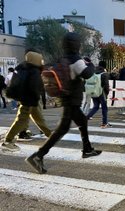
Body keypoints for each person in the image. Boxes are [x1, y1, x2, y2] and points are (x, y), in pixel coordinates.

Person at [25, 32, 102, 174]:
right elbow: (88, 74)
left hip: (66, 98)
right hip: (71, 100)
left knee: (82, 122)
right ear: (76, 44)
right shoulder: (76, 60)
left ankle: (87, 149)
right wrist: (90, 64)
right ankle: (38, 155)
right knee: (62, 129)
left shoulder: (63, 58)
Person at [0, 50, 52, 152]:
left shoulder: (22, 68)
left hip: (26, 98)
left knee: (38, 117)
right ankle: (8, 141)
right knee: (21, 119)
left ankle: (49, 134)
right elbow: (35, 86)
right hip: (29, 99)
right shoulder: (33, 71)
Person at [86, 61, 111, 128]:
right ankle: (104, 123)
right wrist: (107, 93)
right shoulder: (104, 74)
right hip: (102, 93)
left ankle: (87, 117)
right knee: (104, 108)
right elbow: (106, 85)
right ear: (105, 66)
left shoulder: (93, 72)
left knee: (96, 106)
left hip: (94, 92)